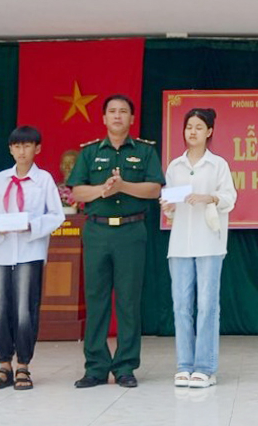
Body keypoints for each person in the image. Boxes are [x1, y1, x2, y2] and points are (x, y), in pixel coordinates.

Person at [67, 94, 165, 388]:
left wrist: (123, 186)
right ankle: (96, 367)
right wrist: (102, 191)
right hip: (97, 232)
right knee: (96, 300)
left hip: (131, 233)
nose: (118, 116)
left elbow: (154, 189)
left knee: (128, 301)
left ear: (132, 119)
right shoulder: (89, 152)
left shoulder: (145, 152)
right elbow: (77, 192)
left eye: (124, 111)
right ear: (104, 118)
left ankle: (125, 367)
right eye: (112, 111)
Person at [0, 125, 65, 390]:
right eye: (17, 146)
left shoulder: (44, 180)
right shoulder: (0, 179)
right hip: (2, 251)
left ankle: (24, 366)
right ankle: (4, 364)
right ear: (10, 149)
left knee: (24, 310)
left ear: (37, 149)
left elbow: (56, 215)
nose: (22, 151)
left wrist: (31, 225)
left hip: (29, 251)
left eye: (27, 146)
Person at [160, 108, 237, 389]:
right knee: (181, 305)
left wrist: (210, 197)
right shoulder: (175, 166)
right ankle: (184, 365)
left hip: (209, 243)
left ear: (209, 132)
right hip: (179, 244)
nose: (192, 132)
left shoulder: (217, 165)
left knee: (206, 306)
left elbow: (230, 198)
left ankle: (205, 367)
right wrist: (167, 208)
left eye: (198, 127)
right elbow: (170, 209)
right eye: (188, 126)